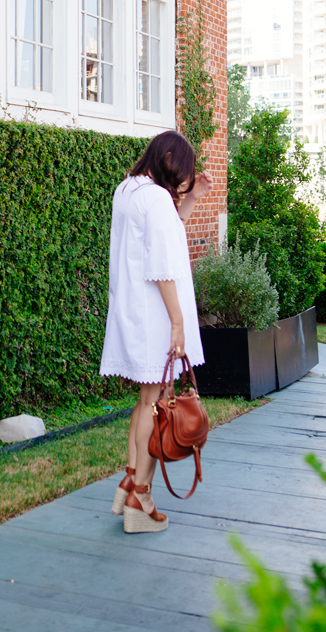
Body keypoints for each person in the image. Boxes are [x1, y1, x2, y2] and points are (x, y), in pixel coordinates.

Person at [99, 130, 212, 533]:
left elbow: (163, 241)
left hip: (135, 311)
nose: (184, 181)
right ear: (168, 157)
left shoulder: (128, 190)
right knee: (156, 402)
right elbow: (163, 266)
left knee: (147, 399)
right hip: (156, 315)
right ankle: (140, 498)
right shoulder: (157, 199)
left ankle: (131, 480)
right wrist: (178, 323)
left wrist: (193, 199)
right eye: (184, 173)